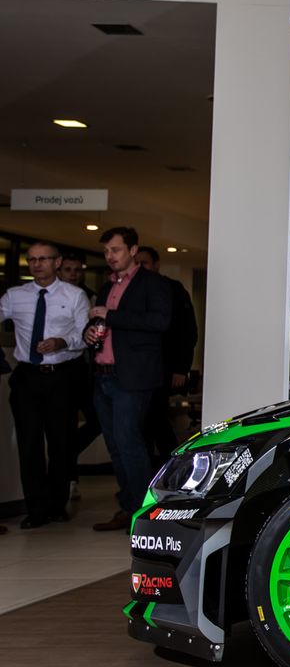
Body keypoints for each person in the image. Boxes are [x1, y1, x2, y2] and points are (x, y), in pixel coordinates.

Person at [86, 227, 172, 531]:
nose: (110, 256)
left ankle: (144, 515)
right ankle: (128, 507)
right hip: (103, 375)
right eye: (106, 251)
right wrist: (89, 333)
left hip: (132, 378)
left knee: (129, 443)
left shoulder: (153, 283)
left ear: (133, 250)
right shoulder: (106, 286)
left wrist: (111, 315)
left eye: (116, 250)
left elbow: (160, 321)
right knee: (115, 446)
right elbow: (102, 324)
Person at [0, 241, 90, 528]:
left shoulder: (74, 295)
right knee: (29, 444)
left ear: (57, 262)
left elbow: (84, 335)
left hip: (61, 376)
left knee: (61, 442)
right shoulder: (15, 296)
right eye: (32, 260)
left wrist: (62, 341)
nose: (37, 264)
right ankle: (36, 508)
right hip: (27, 377)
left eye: (43, 259)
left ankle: (57, 504)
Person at [134, 246, 197, 462]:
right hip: (136, 370)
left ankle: (173, 464)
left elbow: (187, 331)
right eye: (137, 263)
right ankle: (152, 468)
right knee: (143, 421)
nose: (140, 268)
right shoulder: (130, 290)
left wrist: (181, 368)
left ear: (156, 264)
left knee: (156, 419)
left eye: (144, 263)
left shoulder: (173, 289)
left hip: (163, 368)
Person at [57, 251, 99, 501]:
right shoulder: (53, 296)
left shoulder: (91, 296)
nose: (73, 274)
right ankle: (68, 477)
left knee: (96, 421)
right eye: (68, 269)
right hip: (62, 368)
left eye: (77, 270)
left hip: (86, 371)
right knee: (64, 424)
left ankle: (67, 455)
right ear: (59, 270)